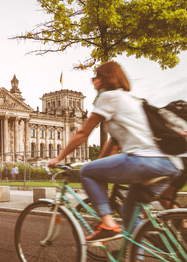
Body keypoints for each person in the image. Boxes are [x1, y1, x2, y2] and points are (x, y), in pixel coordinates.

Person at [48, 61, 181, 243]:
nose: (93, 81)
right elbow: (116, 141)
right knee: (129, 212)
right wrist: (102, 162)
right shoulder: (133, 100)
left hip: (142, 160)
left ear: (106, 78)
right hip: (168, 163)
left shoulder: (108, 97)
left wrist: (59, 157)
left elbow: (83, 132)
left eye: (96, 76)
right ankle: (142, 254)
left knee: (86, 171)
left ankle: (108, 224)